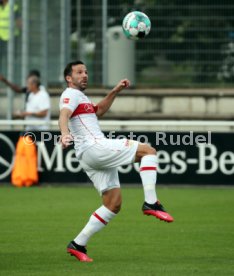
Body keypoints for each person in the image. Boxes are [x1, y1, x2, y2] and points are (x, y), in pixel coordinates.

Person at [59, 60, 173, 262]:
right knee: (148, 151)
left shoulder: (80, 97)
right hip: (95, 147)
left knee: (113, 204)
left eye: (86, 71)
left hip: (90, 156)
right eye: (79, 72)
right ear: (69, 78)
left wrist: (115, 90)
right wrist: (64, 134)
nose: (85, 75)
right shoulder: (69, 94)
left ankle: (78, 244)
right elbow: (63, 115)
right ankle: (151, 202)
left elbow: (99, 111)